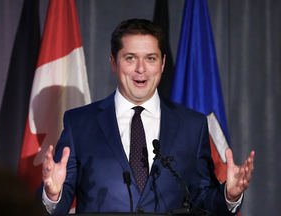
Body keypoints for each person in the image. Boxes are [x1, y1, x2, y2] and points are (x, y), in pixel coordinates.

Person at [37, 18, 255, 215]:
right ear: (114, 63)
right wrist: (53, 194)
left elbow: (201, 200)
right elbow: (60, 203)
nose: (141, 69)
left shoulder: (192, 124)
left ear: (162, 64)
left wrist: (229, 195)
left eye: (150, 58)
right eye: (130, 58)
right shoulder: (80, 123)